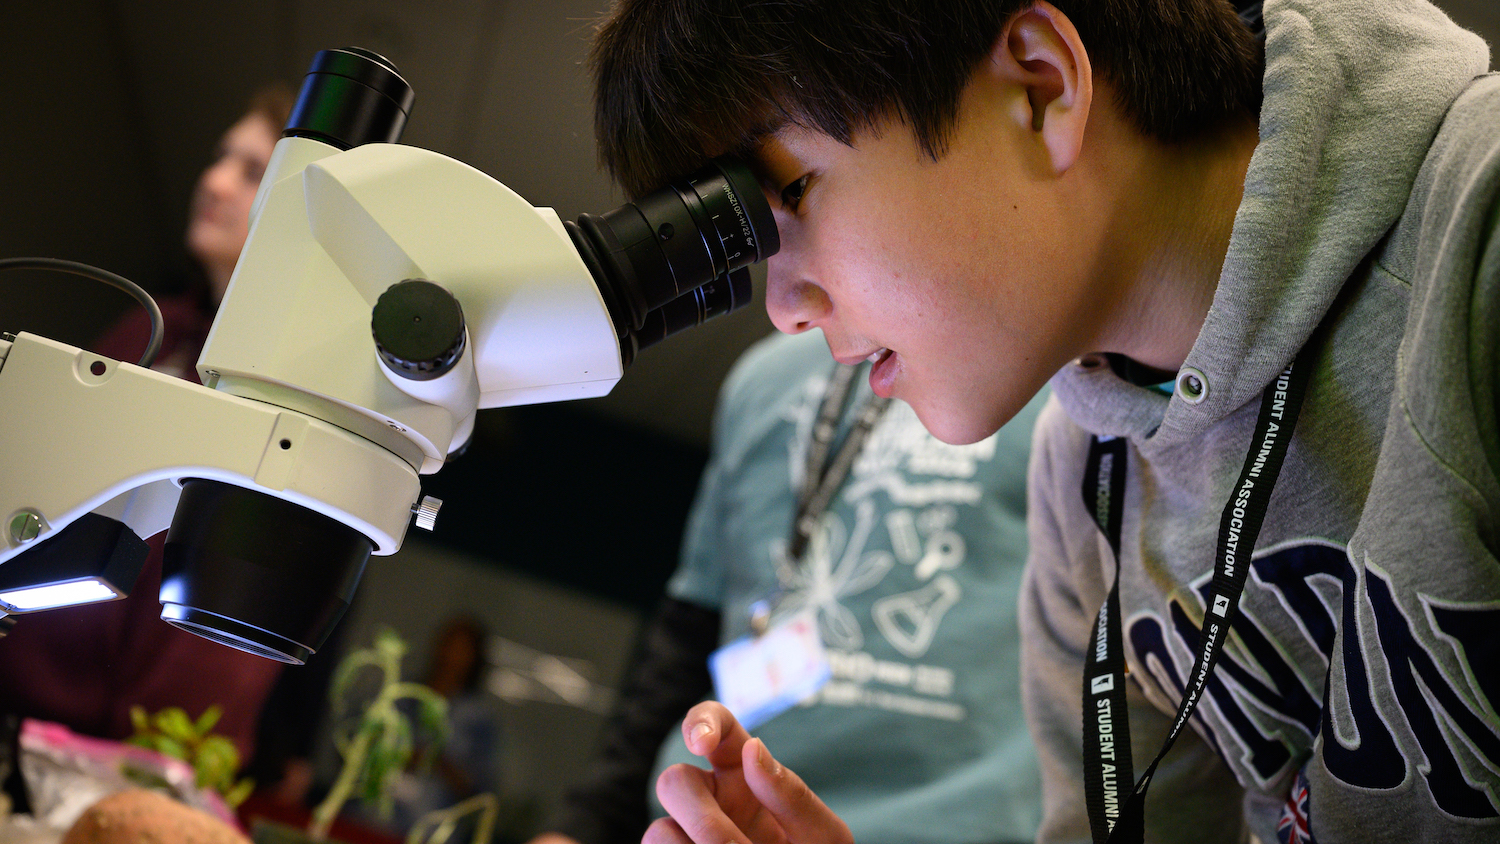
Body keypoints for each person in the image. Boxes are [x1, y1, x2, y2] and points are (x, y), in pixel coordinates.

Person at [585, 0, 1500, 842]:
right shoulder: (1082, 493)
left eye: (791, 193)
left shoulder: (1478, 231)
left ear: (1039, 87)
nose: (783, 308)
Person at [532, 329, 1047, 844]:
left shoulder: (1052, 367)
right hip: (718, 822)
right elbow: (686, 643)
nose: (783, 307)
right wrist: (582, 828)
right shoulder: (763, 377)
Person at [0, 83, 295, 765]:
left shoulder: (284, 403)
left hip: (110, 751)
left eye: (252, 171)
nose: (214, 182)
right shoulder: (149, 329)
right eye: (221, 158)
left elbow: (209, 661)